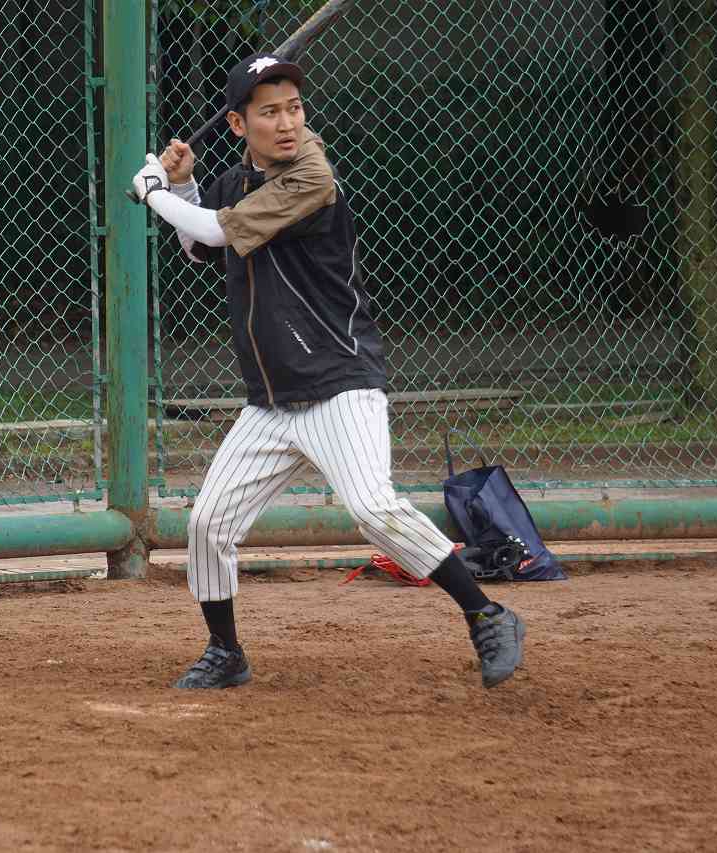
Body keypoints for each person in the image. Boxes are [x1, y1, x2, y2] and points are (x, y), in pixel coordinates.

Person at [130, 54, 525, 690]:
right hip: (272, 399)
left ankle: (487, 614)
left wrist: (152, 192)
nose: (288, 123)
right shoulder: (236, 181)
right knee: (208, 524)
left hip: (338, 382)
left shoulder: (311, 177)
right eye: (269, 112)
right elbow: (201, 245)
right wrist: (181, 186)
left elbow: (217, 231)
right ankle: (226, 652)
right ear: (238, 124)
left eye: (294, 108)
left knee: (374, 509)